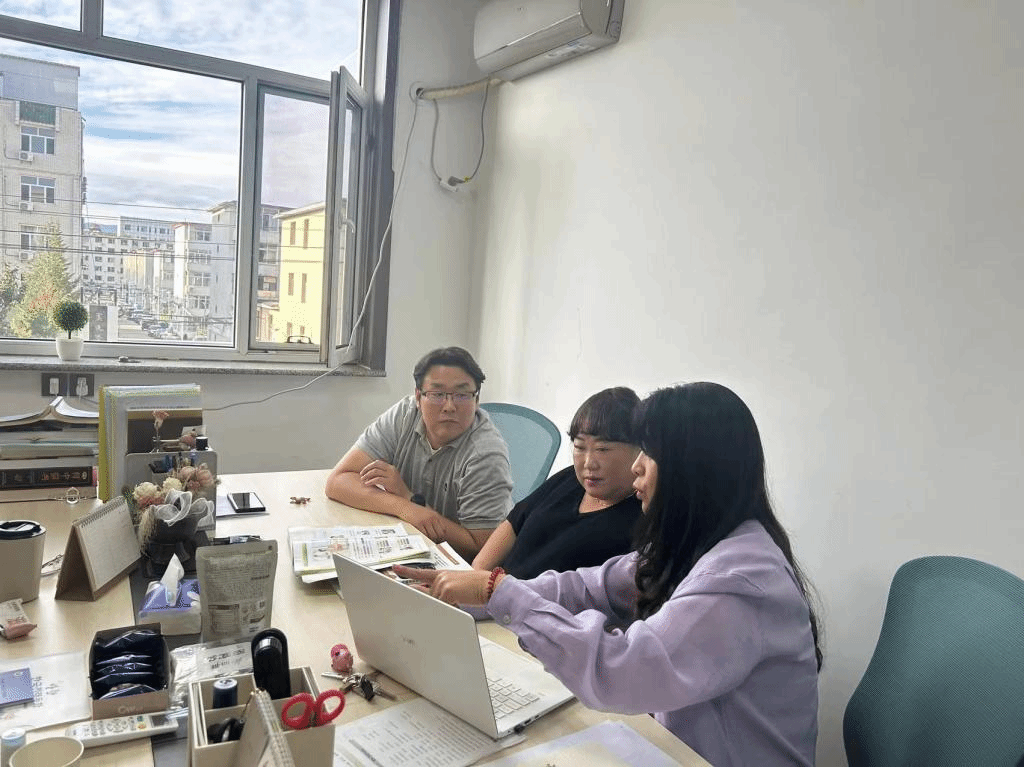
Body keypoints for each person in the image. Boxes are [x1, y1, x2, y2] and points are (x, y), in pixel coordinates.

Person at [395, 382, 822, 767]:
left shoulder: (741, 579)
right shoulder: (692, 542)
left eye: (649, 454)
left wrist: (502, 594)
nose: (637, 467)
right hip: (668, 745)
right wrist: (476, 594)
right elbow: (585, 587)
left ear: (693, 470)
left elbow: (625, 670)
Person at [325, 346, 513, 560]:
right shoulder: (405, 415)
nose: (449, 406)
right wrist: (404, 506)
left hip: (460, 568)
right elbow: (337, 481)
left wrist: (408, 498)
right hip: (414, 544)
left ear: (477, 400)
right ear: (418, 397)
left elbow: (483, 550)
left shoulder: (485, 454)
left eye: (462, 395)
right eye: (437, 394)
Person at [472, 387, 642, 580]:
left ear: (639, 450)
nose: (588, 463)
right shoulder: (570, 479)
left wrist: (491, 588)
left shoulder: (640, 520)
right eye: (579, 447)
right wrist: (477, 575)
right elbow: (514, 522)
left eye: (603, 449)